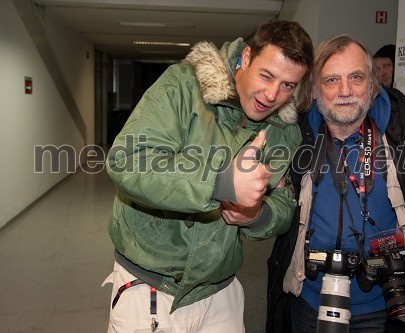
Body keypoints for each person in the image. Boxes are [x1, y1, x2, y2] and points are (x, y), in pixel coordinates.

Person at [103, 20, 314, 333]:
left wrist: (256, 215)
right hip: (149, 285)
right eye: (266, 75)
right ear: (246, 58)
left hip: (220, 292)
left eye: (288, 85)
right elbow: (129, 161)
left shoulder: (284, 131)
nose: (273, 95)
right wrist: (222, 183)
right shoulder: (183, 86)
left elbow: (284, 206)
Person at [266, 35, 405, 333]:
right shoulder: (295, 136)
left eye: (356, 77)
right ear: (315, 90)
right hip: (307, 302)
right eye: (331, 79)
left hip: (386, 309)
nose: (344, 90)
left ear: (372, 85)